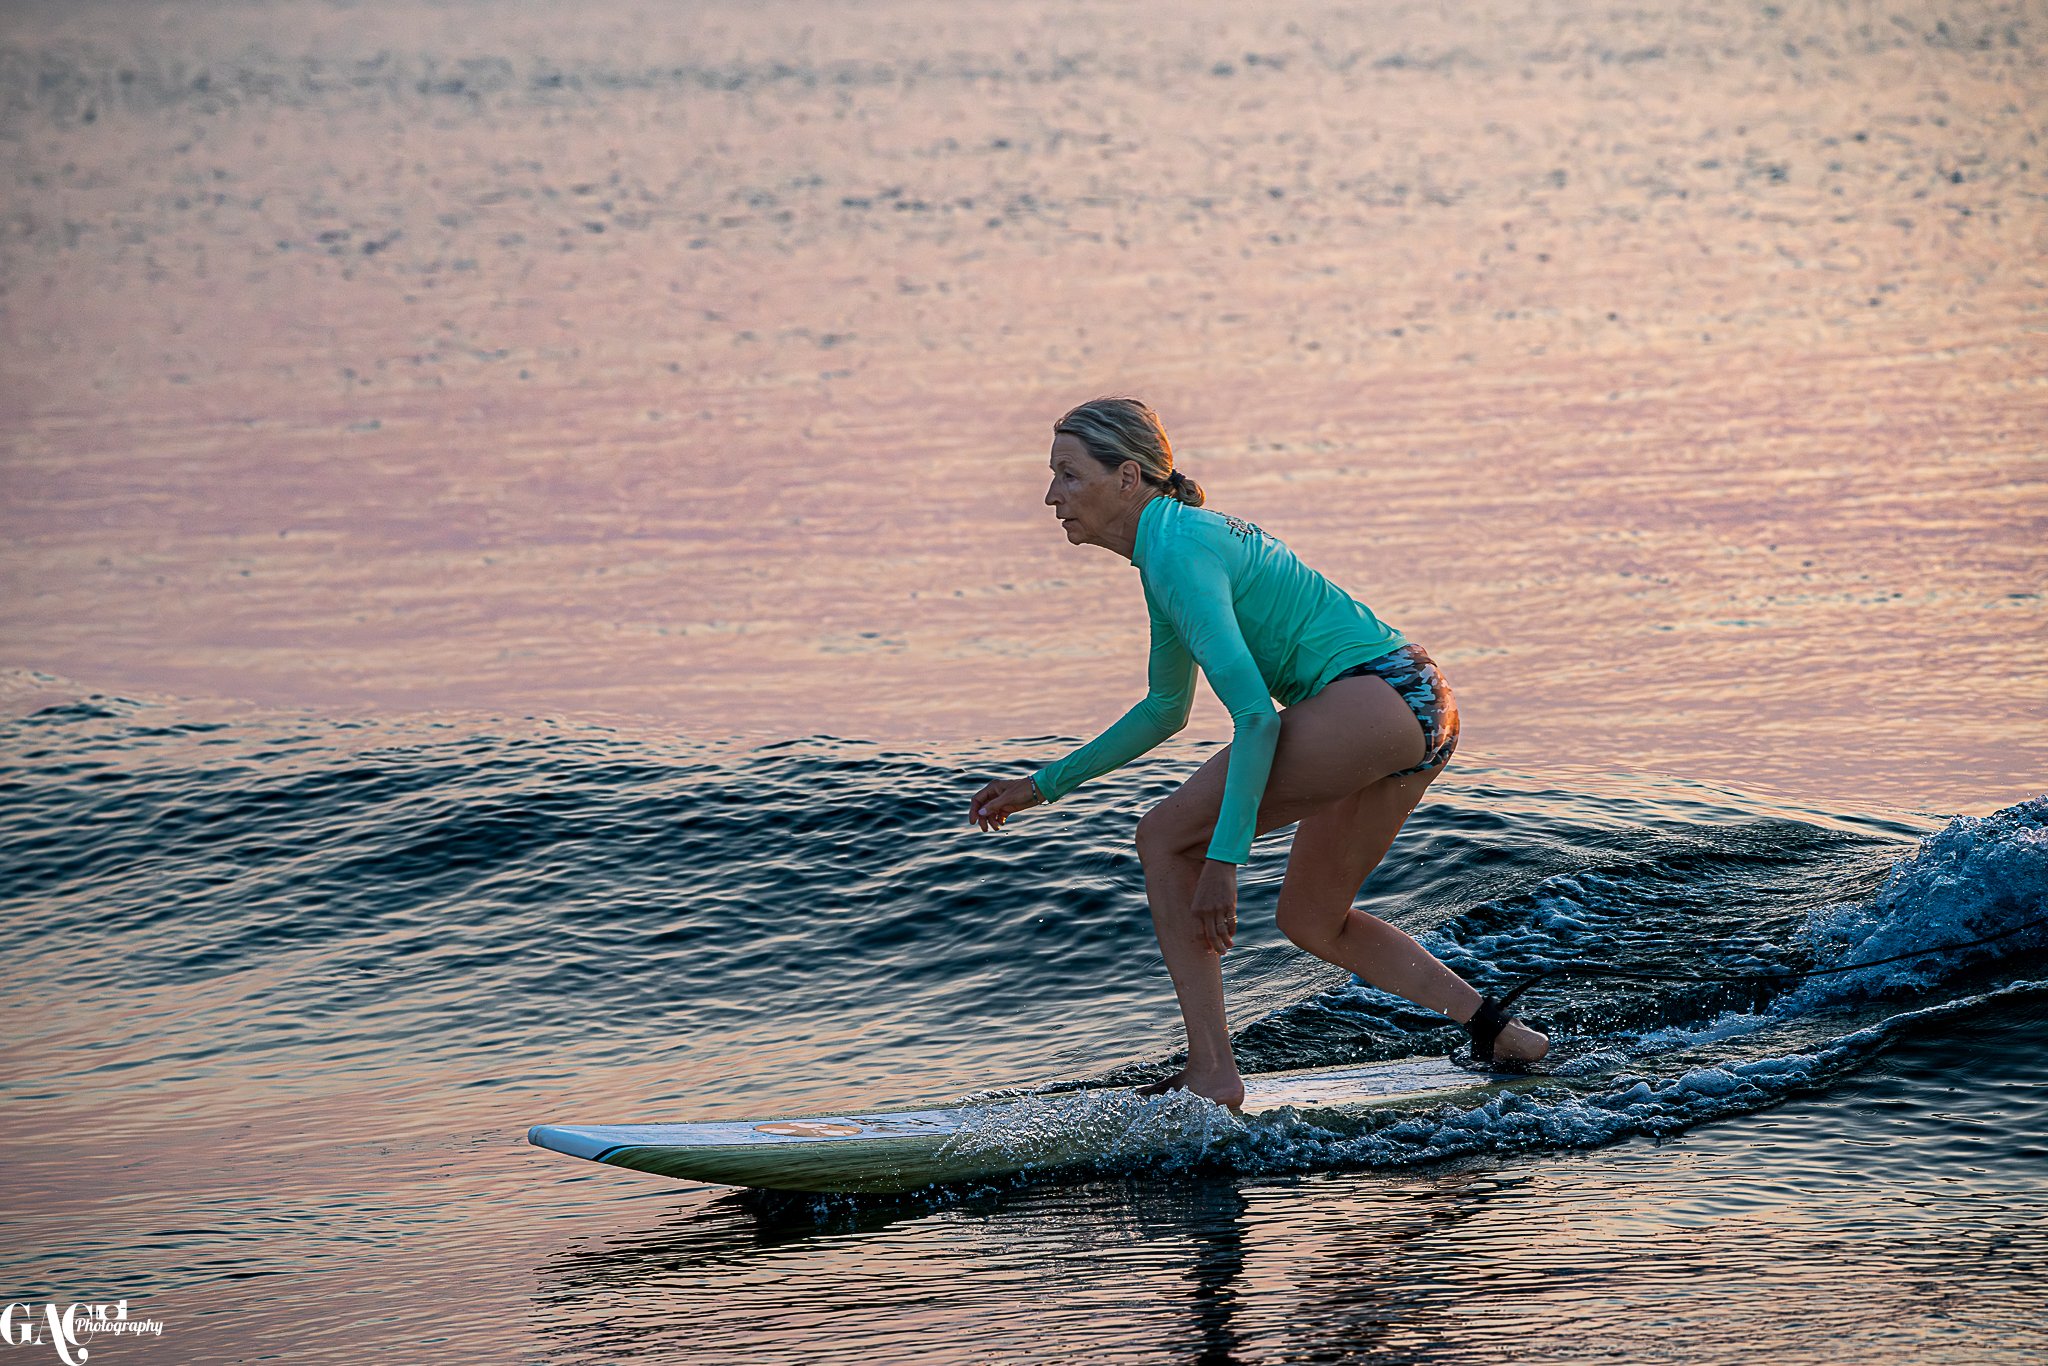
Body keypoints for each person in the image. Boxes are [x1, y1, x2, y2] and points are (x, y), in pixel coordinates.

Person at [967, 397, 1549, 1110]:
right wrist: (1044, 785)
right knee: (1311, 920)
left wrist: (1223, 860)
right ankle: (1500, 1031)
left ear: (1128, 478)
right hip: (1419, 702)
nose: (1051, 495)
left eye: (1067, 473)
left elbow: (1255, 719)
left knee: (1163, 836)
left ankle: (1212, 1070)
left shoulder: (1178, 553)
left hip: (1373, 696)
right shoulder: (1172, 547)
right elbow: (1165, 710)